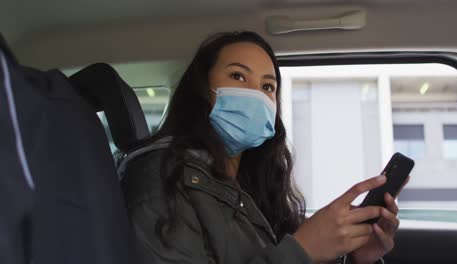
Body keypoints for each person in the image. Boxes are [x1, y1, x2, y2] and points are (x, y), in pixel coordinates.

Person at [121, 31, 405, 264]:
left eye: (268, 87)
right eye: (238, 77)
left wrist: (357, 259)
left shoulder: (257, 187)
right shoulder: (160, 176)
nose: (256, 95)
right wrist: (301, 251)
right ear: (200, 89)